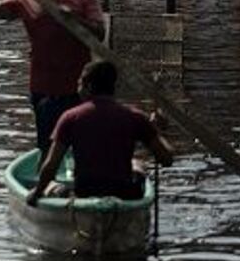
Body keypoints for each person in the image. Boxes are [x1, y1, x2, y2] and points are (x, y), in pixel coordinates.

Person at [0, 0, 108, 153]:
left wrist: (74, 19)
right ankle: (48, 182)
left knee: (83, 148)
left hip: (80, 91)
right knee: (48, 147)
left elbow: (99, 33)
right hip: (44, 90)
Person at [26, 60, 175, 203]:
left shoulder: (71, 117)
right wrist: (157, 131)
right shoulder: (136, 117)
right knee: (136, 164)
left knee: (51, 185)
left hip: (84, 193)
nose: (77, 90)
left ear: (88, 87)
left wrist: (37, 193)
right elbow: (166, 159)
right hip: (125, 194)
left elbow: (50, 166)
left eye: (79, 84)